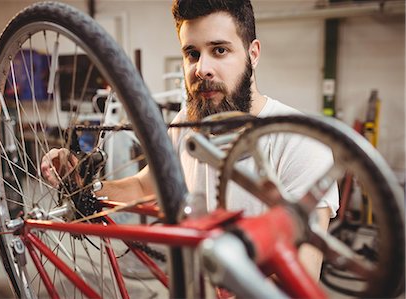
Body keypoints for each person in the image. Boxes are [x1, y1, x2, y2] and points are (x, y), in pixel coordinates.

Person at [41, 0, 339, 282]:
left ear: (253, 54)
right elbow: (148, 186)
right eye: (192, 53)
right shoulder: (187, 121)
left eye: (219, 50)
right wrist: (86, 186)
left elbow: (304, 274)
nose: (202, 68)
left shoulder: (301, 141)